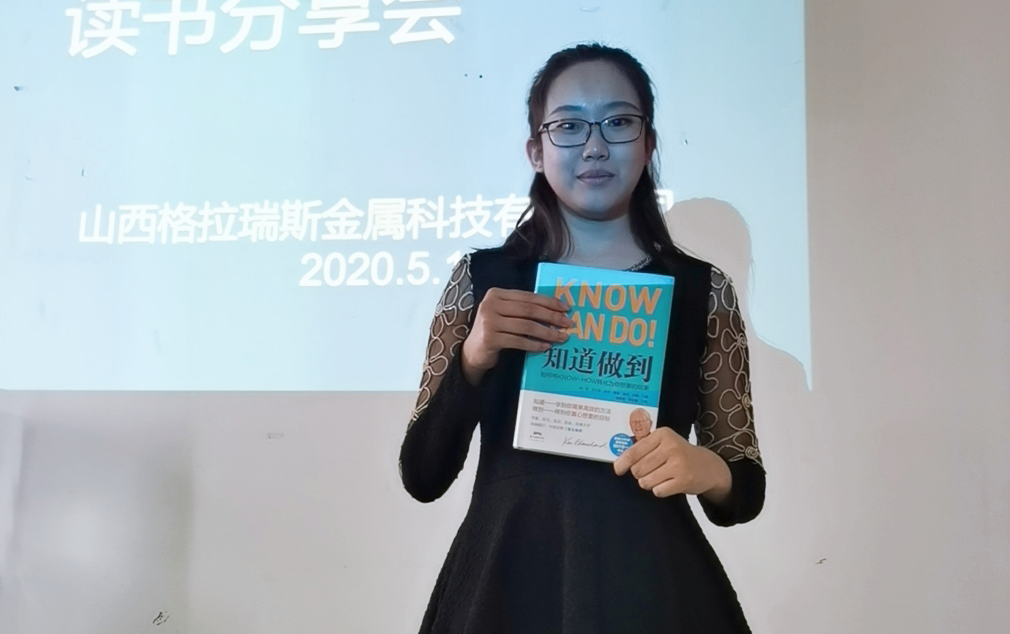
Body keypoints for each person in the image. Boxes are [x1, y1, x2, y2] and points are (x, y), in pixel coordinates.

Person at [399, 43, 765, 634]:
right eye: (569, 126)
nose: (594, 146)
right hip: (505, 586)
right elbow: (422, 474)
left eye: (618, 122)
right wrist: (472, 358)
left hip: (653, 587)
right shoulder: (484, 282)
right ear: (536, 151)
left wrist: (706, 469)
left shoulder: (703, 290)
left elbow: (744, 492)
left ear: (648, 143)